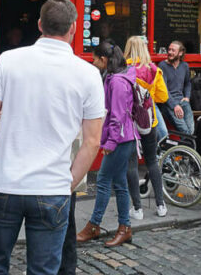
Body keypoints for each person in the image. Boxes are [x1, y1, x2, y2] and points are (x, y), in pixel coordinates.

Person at [0, 0, 104, 275]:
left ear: (39, 25)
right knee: (44, 270)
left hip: (5, 184)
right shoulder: (88, 73)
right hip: (52, 187)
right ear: (73, 28)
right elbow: (92, 141)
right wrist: (68, 183)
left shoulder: (8, 61)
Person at [77, 41, 139, 247]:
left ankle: (94, 225)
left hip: (120, 139)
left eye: (95, 59)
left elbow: (117, 116)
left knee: (103, 179)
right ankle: (125, 228)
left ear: (104, 60)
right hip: (125, 137)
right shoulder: (117, 77)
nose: (93, 62)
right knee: (120, 183)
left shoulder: (117, 82)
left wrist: (110, 142)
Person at [123, 35, 168, 221]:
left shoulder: (124, 69)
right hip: (150, 121)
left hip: (130, 122)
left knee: (131, 164)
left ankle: (138, 209)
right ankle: (160, 205)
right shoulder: (154, 70)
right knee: (152, 162)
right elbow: (163, 97)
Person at [158, 40, 194, 135]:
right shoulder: (162, 66)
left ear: (180, 53)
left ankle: (184, 149)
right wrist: (174, 105)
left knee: (191, 130)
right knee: (185, 131)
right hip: (168, 104)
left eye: (173, 50)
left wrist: (187, 97)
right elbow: (163, 89)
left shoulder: (185, 66)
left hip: (183, 101)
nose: (170, 52)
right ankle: (185, 149)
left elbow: (187, 83)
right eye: (169, 50)